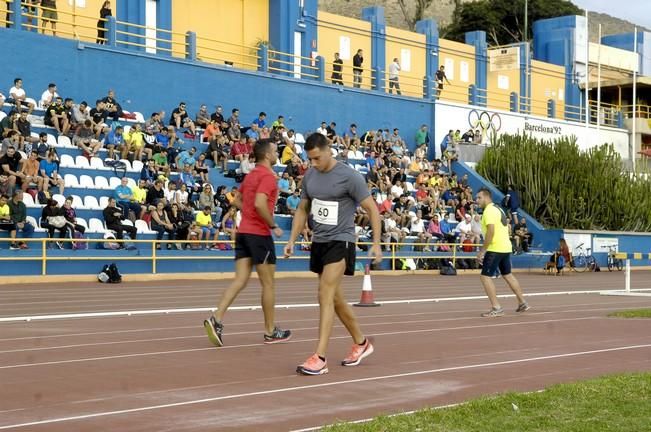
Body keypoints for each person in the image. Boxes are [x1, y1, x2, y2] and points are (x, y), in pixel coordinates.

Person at [284, 133, 382, 376]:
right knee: (335, 299)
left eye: (317, 158)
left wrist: (377, 243)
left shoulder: (350, 177)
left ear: (329, 150)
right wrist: (291, 240)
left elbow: (372, 209)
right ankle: (362, 343)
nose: (313, 163)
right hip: (320, 241)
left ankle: (319, 357)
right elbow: (302, 209)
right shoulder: (310, 175)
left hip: (342, 240)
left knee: (324, 293)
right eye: (310, 159)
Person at [204, 138, 291, 347]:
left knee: (240, 280)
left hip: (243, 233)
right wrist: (273, 226)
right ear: (268, 155)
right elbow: (261, 203)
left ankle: (216, 318)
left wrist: (249, 213)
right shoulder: (268, 177)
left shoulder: (251, 175)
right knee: (268, 284)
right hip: (260, 235)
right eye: (275, 150)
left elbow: (236, 199)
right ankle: (270, 331)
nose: (277, 153)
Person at [476, 188, 529, 317]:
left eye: (479, 198)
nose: (476, 201)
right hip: (505, 247)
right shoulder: (498, 208)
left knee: (485, 277)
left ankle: (496, 307)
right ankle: (522, 302)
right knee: (507, 274)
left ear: (486, 197)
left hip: (495, 248)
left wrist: (482, 251)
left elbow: (491, 231)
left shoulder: (488, 211)